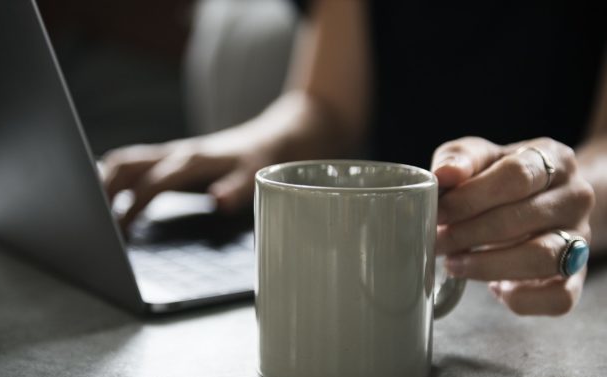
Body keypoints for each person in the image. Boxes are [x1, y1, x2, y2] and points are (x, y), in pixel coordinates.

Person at [101, 0, 607, 316]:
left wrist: (562, 194)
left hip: (551, 284)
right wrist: (248, 146)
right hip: (390, 263)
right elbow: (328, 104)